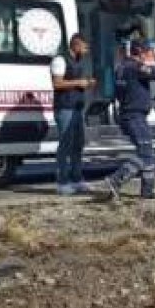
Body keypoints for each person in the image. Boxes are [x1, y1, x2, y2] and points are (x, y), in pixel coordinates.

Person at [100, 39, 155, 200]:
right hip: (134, 116)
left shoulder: (121, 68)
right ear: (140, 52)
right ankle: (115, 180)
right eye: (145, 52)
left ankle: (147, 192)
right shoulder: (135, 67)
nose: (146, 56)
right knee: (145, 153)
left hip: (130, 115)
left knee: (147, 152)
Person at [50, 34, 94, 196]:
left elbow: (74, 81)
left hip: (77, 108)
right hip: (64, 108)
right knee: (66, 144)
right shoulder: (60, 60)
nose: (86, 51)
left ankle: (77, 179)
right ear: (76, 45)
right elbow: (57, 83)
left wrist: (87, 83)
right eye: (84, 47)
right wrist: (78, 83)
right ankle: (62, 182)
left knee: (78, 143)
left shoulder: (77, 60)